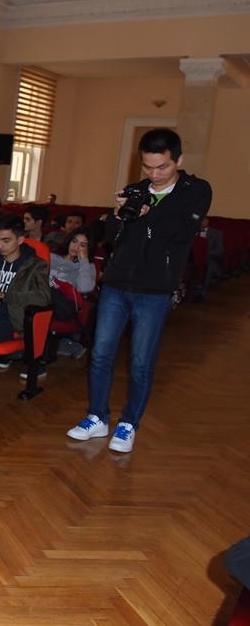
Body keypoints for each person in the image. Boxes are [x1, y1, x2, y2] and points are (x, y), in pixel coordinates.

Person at [66, 128, 211, 452]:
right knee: (101, 354)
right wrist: (117, 216)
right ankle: (97, 417)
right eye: (147, 167)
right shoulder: (135, 190)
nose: (154, 175)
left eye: (162, 167)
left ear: (178, 160)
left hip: (155, 289)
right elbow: (116, 240)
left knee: (140, 361)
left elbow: (182, 232)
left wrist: (151, 211)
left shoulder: (196, 190)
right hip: (117, 284)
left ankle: (128, 424)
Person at [0, 214, 51, 363]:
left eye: (6, 241)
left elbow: (42, 297)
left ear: (20, 239)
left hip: (7, 319)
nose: (0, 246)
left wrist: (2, 296)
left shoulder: (35, 265)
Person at [49, 226, 97, 358]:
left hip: (61, 305)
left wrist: (83, 261)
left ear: (88, 249)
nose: (76, 247)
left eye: (82, 245)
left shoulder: (88, 266)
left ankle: (41, 359)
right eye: (74, 241)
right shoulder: (51, 257)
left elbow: (85, 288)